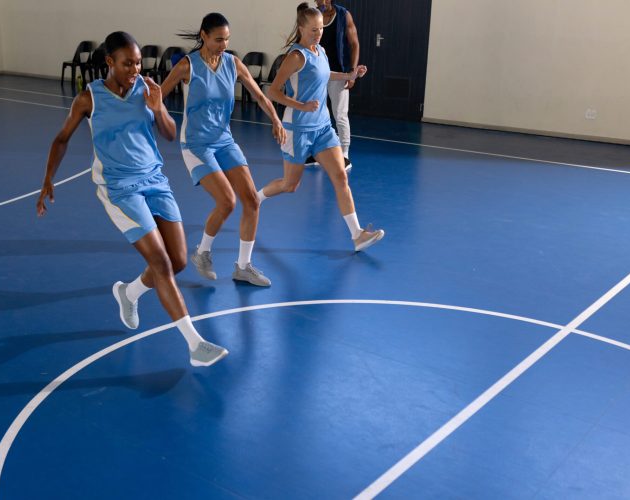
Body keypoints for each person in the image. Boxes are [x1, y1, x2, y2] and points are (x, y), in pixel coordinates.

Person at [36, 31, 228, 367]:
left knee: (179, 261)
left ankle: (130, 292)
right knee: (162, 263)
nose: (135, 69)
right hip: (120, 188)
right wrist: (48, 179)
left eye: (138, 62)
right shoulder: (89, 98)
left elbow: (169, 134)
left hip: (155, 181)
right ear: (109, 63)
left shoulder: (147, 91)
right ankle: (195, 345)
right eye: (127, 63)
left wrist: (157, 108)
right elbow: (61, 139)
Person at [160, 13, 286, 287]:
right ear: (204, 36)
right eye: (218, 39)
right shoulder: (186, 66)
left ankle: (243, 266)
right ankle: (202, 252)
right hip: (196, 144)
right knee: (227, 201)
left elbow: (260, 95)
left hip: (224, 141)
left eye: (227, 39)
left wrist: (276, 120)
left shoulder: (232, 63)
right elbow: (156, 98)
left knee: (251, 200)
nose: (223, 44)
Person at [257, 3, 384, 253]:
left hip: (323, 128)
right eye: (313, 30)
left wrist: (350, 75)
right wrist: (300, 105)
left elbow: (327, 75)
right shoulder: (295, 57)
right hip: (298, 128)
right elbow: (272, 91)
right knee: (290, 185)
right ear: (301, 29)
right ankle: (256, 197)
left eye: (321, 29)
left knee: (339, 177)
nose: (318, 34)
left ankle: (357, 234)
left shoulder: (321, 51)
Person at [316, 0, 360, 168]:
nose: (322, 2)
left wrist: (352, 73)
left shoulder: (343, 15)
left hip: (339, 73)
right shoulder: (314, 16)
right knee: (318, 114)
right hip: (318, 72)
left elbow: (354, 43)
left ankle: (344, 154)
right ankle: (319, 151)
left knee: (340, 115)